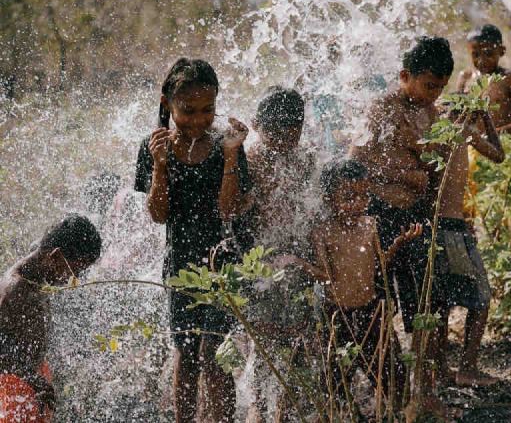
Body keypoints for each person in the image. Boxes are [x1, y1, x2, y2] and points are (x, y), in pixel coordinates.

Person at [134, 58, 251, 423]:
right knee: (185, 349)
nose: (200, 120)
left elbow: (228, 210)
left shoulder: (225, 144)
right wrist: (160, 166)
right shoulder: (153, 146)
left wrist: (231, 155)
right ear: (167, 104)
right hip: (181, 262)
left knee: (215, 350)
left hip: (222, 262)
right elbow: (159, 215)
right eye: (189, 110)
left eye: (208, 110)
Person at [349, 36, 454, 416]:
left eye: (440, 88)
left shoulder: (432, 115)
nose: (433, 94)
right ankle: (386, 389)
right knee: (379, 305)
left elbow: (437, 167)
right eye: (429, 86)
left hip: (417, 220)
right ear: (405, 76)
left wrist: (423, 162)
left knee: (424, 306)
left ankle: (423, 392)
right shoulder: (382, 108)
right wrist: (405, 171)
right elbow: (355, 161)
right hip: (379, 217)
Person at [283, 160, 419, 412]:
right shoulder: (323, 232)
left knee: (394, 374)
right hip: (338, 317)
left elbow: (378, 265)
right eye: (348, 197)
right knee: (334, 384)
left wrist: (399, 243)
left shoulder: (370, 225)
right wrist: (298, 262)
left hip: (370, 313)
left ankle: (397, 415)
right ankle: (345, 415)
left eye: (363, 196)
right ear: (328, 199)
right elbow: (325, 277)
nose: (358, 203)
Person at [243, 86, 319, 423]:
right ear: (258, 126)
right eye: (278, 136)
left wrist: (315, 256)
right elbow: (240, 215)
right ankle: (259, 406)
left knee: (300, 332)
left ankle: (289, 406)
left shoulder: (305, 159)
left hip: (297, 252)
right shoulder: (251, 159)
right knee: (264, 335)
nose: (285, 143)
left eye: (293, 135)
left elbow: (313, 210)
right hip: (261, 258)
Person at [0, 215, 102, 422]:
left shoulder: (37, 268)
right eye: (75, 269)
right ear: (55, 256)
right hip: (12, 388)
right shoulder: (17, 291)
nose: (75, 278)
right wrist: (32, 378)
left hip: (29, 379)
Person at [431, 109, 504, 387]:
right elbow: (498, 154)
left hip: (439, 227)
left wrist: (483, 118)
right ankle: (467, 368)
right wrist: (485, 119)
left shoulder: (438, 130)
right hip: (450, 229)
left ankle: (441, 369)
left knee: (440, 302)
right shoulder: (459, 131)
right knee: (480, 296)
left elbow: (497, 155)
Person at [456, 24, 511, 135]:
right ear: (469, 52)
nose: (481, 60)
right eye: (475, 54)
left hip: (501, 145)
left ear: (501, 51)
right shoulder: (465, 77)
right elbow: (457, 115)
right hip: (472, 147)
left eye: (488, 53)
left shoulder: (508, 78)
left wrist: (494, 135)